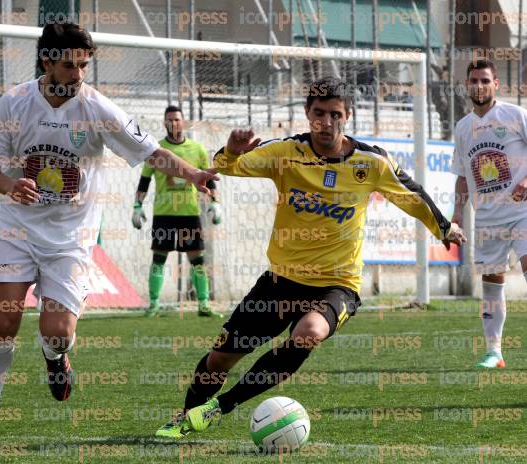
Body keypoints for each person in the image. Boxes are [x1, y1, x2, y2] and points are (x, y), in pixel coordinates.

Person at [155, 78, 466, 438]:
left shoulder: (372, 162)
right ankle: (186, 416)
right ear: (307, 114)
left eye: (335, 114)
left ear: (347, 116)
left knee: (309, 332)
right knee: (219, 360)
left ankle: (219, 408)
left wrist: (444, 228)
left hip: (338, 285)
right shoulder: (285, 152)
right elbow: (228, 168)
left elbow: (411, 194)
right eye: (319, 113)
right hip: (281, 281)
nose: (326, 122)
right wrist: (232, 151)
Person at [0, 22, 217, 437]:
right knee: (4, 319)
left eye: (84, 65)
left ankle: (54, 355)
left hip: (70, 239)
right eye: (69, 65)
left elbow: (151, 151)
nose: (78, 74)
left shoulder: (98, 108)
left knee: (58, 333)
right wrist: (10, 185)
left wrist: (194, 174)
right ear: (47, 62)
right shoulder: (14, 102)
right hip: (16, 229)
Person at [451, 59, 527, 369]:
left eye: (485, 80)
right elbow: (460, 175)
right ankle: (494, 352)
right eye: (473, 80)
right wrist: (456, 214)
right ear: (467, 85)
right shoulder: (462, 127)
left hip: (522, 210)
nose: (479, 86)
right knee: (493, 281)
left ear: (496, 84)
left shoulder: (514, 115)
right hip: (486, 218)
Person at [132, 105, 223, 318]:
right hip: (163, 213)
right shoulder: (155, 149)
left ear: (184, 122)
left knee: (197, 258)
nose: (173, 123)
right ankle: (153, 304)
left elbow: (208, 177)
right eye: (169, 120)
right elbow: (144, 181)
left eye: (177, 119)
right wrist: (137, 206)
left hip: (189, 213)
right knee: (159, 258)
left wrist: (214, 202)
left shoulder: (197, 150)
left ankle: (203, 304)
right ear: (164, 123)